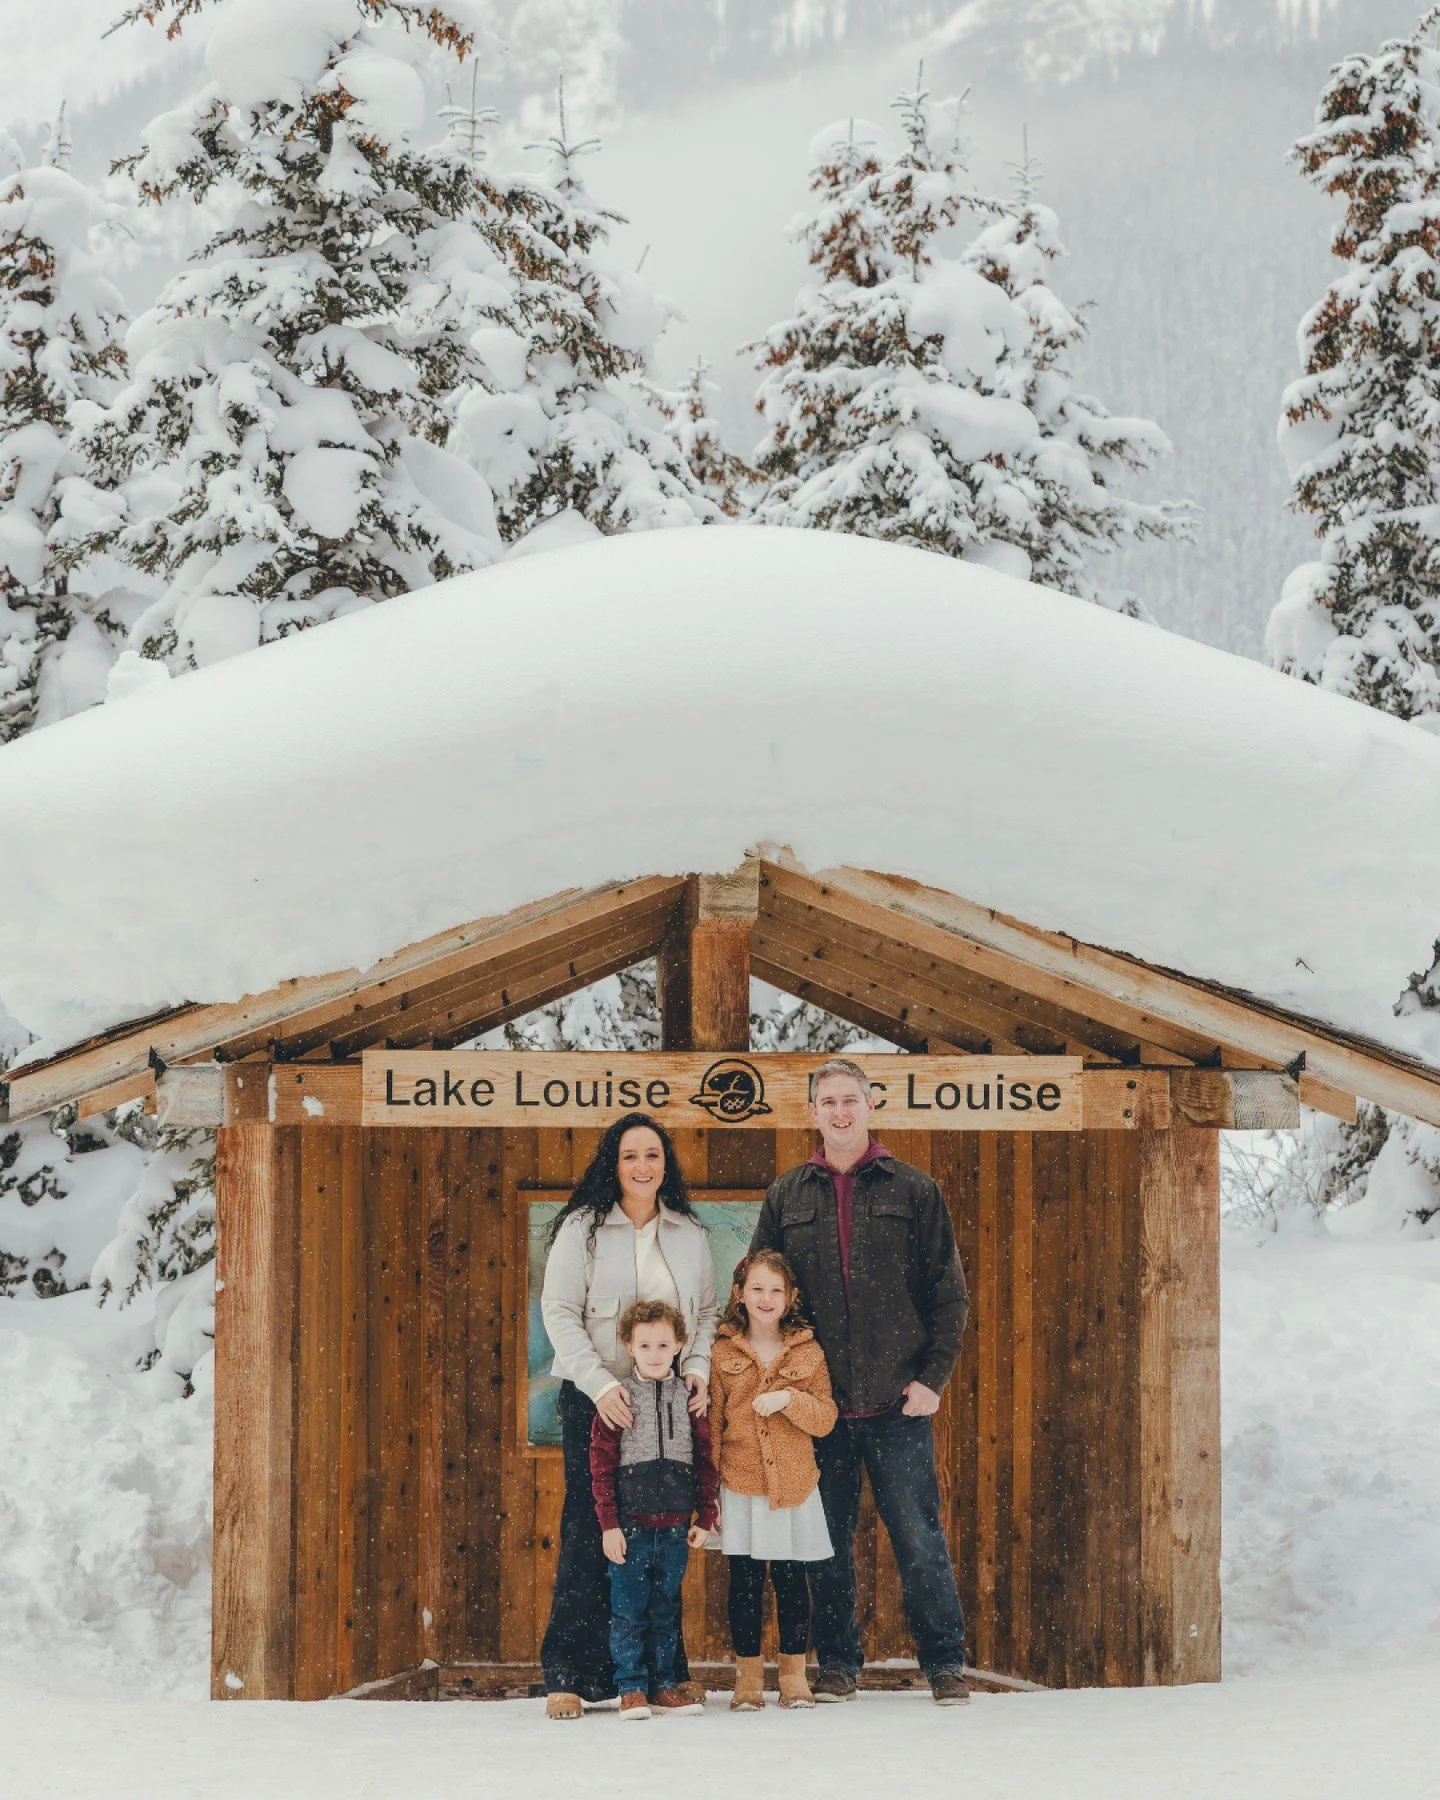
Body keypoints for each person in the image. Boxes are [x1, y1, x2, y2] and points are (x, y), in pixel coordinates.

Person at [749, 1056, 972, 1706]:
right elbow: (763, 1297)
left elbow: (948, 1296)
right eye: (829, 1103)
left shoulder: (913, 1190)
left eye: (851, 1100)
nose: (840, 1113)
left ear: (869, 1107)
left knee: (919, 1538)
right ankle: (839, 1664)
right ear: (813, 1112)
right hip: (820, 1409)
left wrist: (932, 1379)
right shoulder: (787, 1196)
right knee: (827, 1545)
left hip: (901, 1404)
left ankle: (945, 1665)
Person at [539, 1113, 718, 1720]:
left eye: (653, 1155)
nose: (643, 1166)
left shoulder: (689, 1234)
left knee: (662, 1536)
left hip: (667, 1406)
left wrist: (696, 1369)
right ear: (612, 1164)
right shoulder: (583, 1229)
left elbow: (710, 1313)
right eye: (630, 1155)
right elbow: (559, 1311)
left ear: (666, 1164)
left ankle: (659, 1677)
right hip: (597, 1401)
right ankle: (569, 1675)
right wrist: (598, 1385)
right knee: (592, 1527)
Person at [708, 1249, 837, 1712]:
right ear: (741, 1294)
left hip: (794, 1486)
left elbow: (825, 1418)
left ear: (791, 1297)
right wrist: (710, 1495)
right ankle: (747, 1678)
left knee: (790, 1580)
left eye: (776, 1290)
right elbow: (714, 1427)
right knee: (743, 1582)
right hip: (741, 1486)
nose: (766, 1298)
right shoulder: (722, 1351)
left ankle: (793, 1675)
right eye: (757, 1289)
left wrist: (787, 1399)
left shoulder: (809, 1351)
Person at [590, 1300, 720, 1719]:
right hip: (631, 1528)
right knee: (628, 1610)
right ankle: (630, 1688)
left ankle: (664, 1685)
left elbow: (705, 1460)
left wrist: (707, 1516)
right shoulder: (619, 1398)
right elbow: (602, 1466)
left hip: (677, 1528)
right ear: (628, 1346)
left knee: (665, 1609)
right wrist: (609, 1525)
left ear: (680, 1345)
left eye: (664, 1344)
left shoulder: (691, 1397)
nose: (654, 1354)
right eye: (644, 1345)